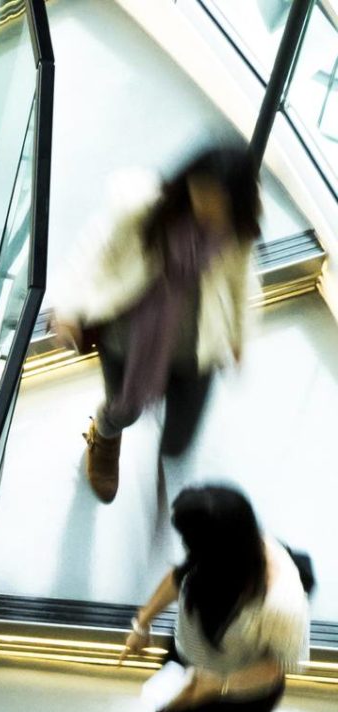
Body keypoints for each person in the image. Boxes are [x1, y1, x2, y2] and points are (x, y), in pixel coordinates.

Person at [51, 144, 263, 504]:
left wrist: (239, 336)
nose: (207, 207)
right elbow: (95, 252)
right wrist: (69, 308)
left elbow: (241, 282)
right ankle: (104, 434)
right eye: (203, 192)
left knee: (179, 440)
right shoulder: (144, 209)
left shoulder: (235, 230)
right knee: (124, 409)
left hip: (196, 342)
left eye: (219, 201)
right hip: (130, 337)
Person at [110, 485, 312, 712]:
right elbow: (178, 578)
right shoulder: (219, 553)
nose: (187, 551)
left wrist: (216, 686)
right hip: (189, 664)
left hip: (241, 694)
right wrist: (142, 624)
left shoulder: (281, 602)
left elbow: (275, 670)